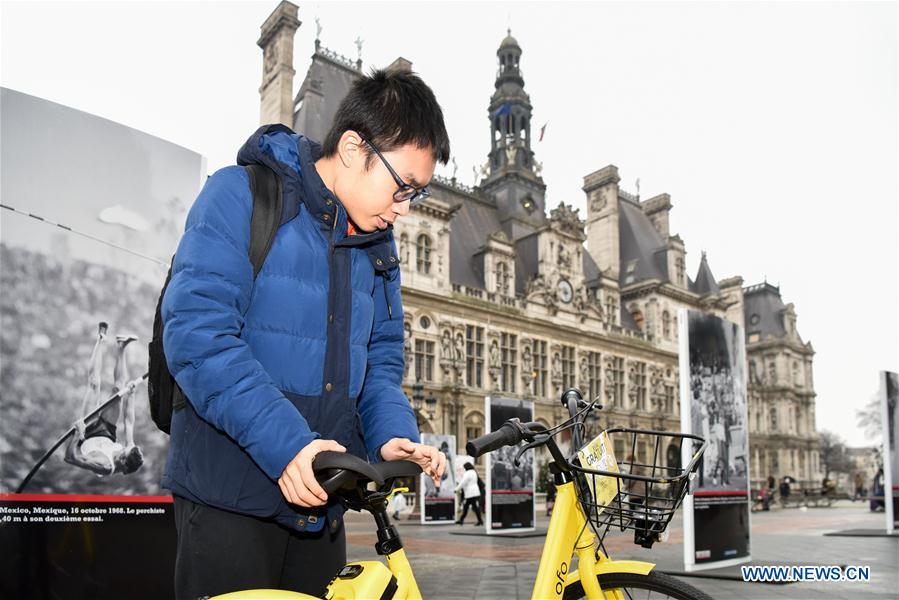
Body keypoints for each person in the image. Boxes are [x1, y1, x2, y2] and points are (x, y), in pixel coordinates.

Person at [160, 69, 450, 599]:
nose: (406, 208)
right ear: (353, 149)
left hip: (321, 504)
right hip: (229, 496)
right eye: (403, 185)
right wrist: (290, 445)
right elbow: (198, 336)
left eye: (418, 192)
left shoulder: (380, 249)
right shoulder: (238, 194)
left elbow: (381, 364)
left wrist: (390, 433)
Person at [65, 324, 143, 476]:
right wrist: (131, 395)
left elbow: (70, 458)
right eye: (125, 448)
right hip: (107, 430)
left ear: (123, 462)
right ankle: (121, 346)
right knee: (119, 389)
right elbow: (129, 422)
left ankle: (100, 339)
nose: (123, 448)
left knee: (94, 384)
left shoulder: (104, 466)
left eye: (122, 452)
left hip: (87, 432)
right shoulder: (130, 451)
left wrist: (77, 434)